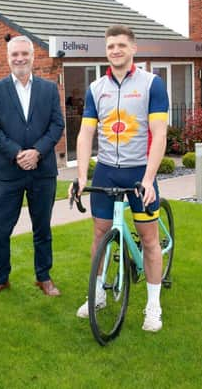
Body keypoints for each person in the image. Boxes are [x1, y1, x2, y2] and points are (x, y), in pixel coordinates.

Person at [71, 25, 169, 332]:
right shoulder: (96, 88)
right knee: (100, 235)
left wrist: (149, 179)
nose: (115, 50)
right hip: (106, 170)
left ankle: (153, 306)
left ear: (133, 49)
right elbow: (86, 132)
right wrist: (82, 175)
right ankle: (98, 293)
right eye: (111, 45)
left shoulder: (152, 84)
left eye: (121, 45)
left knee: (150, 240)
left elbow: (159, 132)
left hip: (139, 171)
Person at [0, 35, 65, 298]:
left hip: (43, 172)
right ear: (8, 58)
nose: (19, 58)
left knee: (42, 227)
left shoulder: (49, 89)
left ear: (33, 56)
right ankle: (0, 278)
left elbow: (57, 125)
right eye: (14, 54)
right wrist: (17, 153)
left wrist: (38, 152)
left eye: (24, 54)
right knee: (0, 228)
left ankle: (44, 277)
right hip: (8, 172)